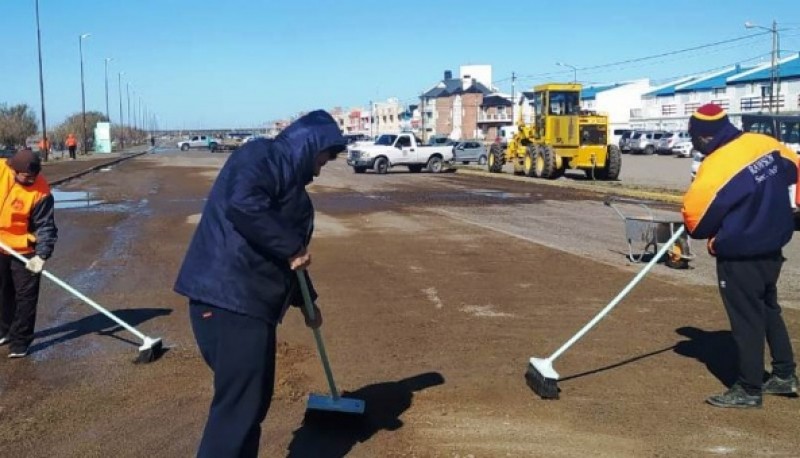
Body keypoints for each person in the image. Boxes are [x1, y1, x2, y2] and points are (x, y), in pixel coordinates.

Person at [174, 110, 346, 457]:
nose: (321, 167)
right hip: (229, 301)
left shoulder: (294, 193)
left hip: (249, 306)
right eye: (324, 157)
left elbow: (290, 264)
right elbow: (244, 205)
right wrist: (292, 246)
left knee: (250, 402)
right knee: (238, 407)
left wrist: (308, 302)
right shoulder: (261, 155)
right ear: (312, 143)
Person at [683, 103, 799, 409]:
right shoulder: (763, 143)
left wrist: (725, 217)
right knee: (768, 308)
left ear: (704, 138)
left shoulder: (717, 165)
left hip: (740, 254)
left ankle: (749, 388)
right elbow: (794, 168)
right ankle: (785, 374)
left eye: (694, 137)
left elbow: (694, 221)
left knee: (746, 319)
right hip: (772, 247)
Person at [0, 149, 57, 358]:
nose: (30, 180)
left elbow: (46, 226)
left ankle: (20, 342)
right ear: (13, 170)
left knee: (26, 297)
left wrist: (41, 255)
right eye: (26, 176)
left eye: (34, 176)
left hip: (24, 248)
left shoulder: (41, 191)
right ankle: (4, 331)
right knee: (3, 292)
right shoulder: (1, 171)